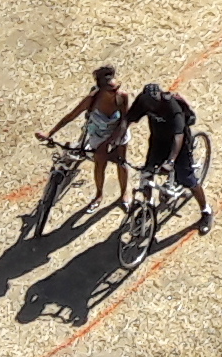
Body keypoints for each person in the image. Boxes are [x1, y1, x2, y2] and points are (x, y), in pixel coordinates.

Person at [44, 65, 131, 216]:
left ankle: (124, 194)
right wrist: (50, 133)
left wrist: (111, 141)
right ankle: (99, 195)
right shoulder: (92, 100)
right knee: (100, 164)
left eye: (117, 88)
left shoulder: (122, 97)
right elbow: (71, 116)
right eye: (111, 90)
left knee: (121, 162)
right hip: (98, 135)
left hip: (117, 133)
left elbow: (125, 121)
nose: (115, 91)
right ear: (102, 89)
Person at [129, 80, 209, 234]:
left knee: (187, 179)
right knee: (146, 174)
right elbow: (128, 119)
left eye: (153, 103)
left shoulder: (172, 107)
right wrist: (118, 136)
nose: (150, 106)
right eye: (148, 103)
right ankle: (148, 207)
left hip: (178, 145)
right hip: (158, 142)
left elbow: (178, 136)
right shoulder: (144, 101)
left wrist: (171, 161)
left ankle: (206, 211)